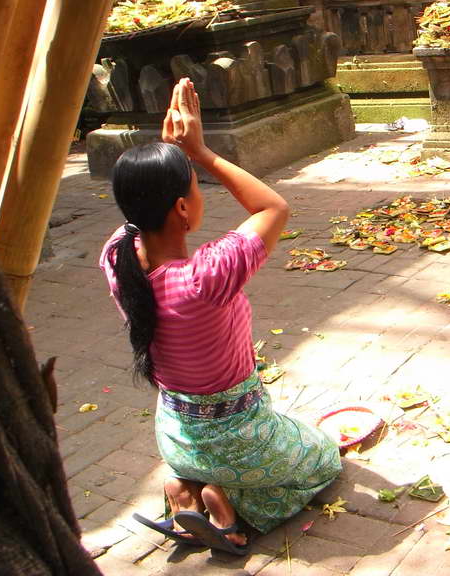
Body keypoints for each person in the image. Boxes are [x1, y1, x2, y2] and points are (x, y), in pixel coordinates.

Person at [99, 78, 342, 555]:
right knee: (324, 457)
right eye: (195, 184)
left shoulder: (115, 260)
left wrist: (171, 154)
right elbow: (274, 206)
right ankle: (229, 513)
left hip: (176, 435)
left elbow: (139, 211)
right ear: (184, 208)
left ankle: (186, 490)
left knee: (229, 456)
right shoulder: (208, 275)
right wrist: (201, 152)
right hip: (241, 440)